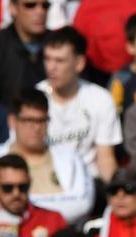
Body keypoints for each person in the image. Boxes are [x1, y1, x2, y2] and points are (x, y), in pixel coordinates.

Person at [0, 90, 94, 225]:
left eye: (41, 120)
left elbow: (83, 202)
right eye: (28, 120)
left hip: (61, 236)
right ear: (12, 121)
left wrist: (31, 211)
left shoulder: (70, 159)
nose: (36, 127)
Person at [37, 27, 121, 183]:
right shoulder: (34, 100)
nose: (51, 67)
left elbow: (105, 159)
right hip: (45, 183)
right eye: (47, 59)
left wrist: (115, 195)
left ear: (79, 63)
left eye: (59, 60)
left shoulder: (101, 99)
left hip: (89, 185)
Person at [0, 0, 48, 106]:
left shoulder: (58, 45)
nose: (40, 11)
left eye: (45, 6)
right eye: (30, 5)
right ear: (13, 8)